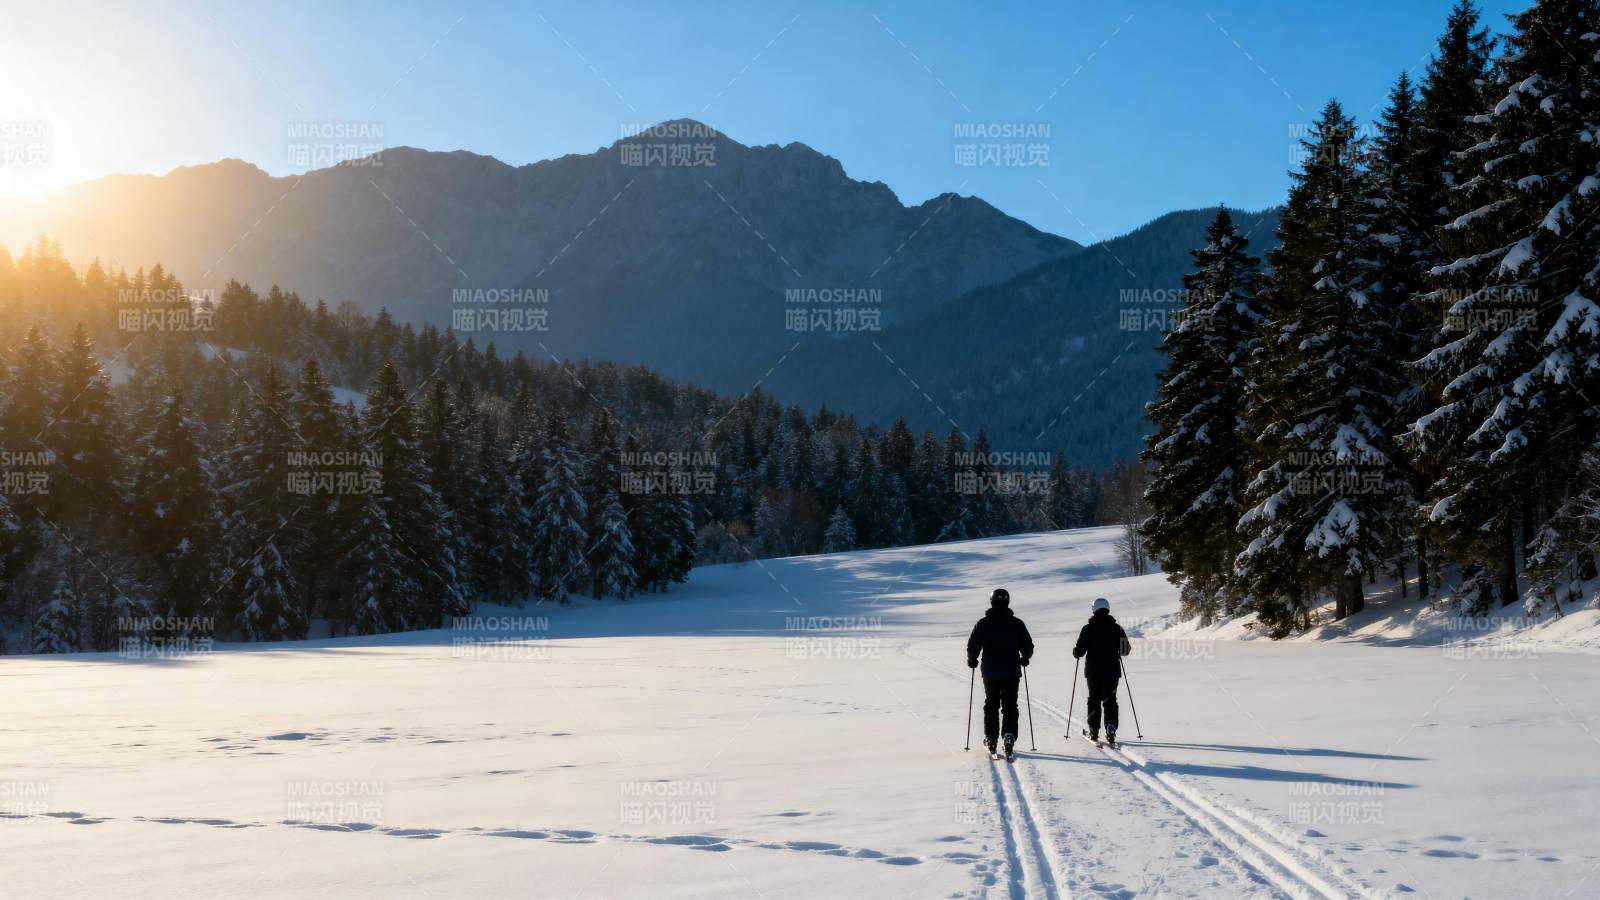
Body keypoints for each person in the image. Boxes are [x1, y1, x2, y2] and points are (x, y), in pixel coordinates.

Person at [966, 588, 1034, 757]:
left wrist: (972, 659)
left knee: (991, 705)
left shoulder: (983, 623)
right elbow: (1028, 646)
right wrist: (1025, 657)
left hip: (990, 672)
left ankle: (991, 738)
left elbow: (973, 645)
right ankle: (1009, 735)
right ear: (1007, 601)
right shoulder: (1017, 623)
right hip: (1012, 672)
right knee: (1010, 705)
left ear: (992, 601)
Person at [1072, 597, 1131, 744]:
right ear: (1107, 609)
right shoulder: (1117, 629)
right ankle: (1111, 727)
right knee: (1110, 700)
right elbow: (1125, 650)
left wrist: (1075, 652)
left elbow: (1079, 651)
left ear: (1094, 610)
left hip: (1093, 672)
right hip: (1112, 672)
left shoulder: (1087, 629)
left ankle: (1094, 730)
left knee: (1094, 699)